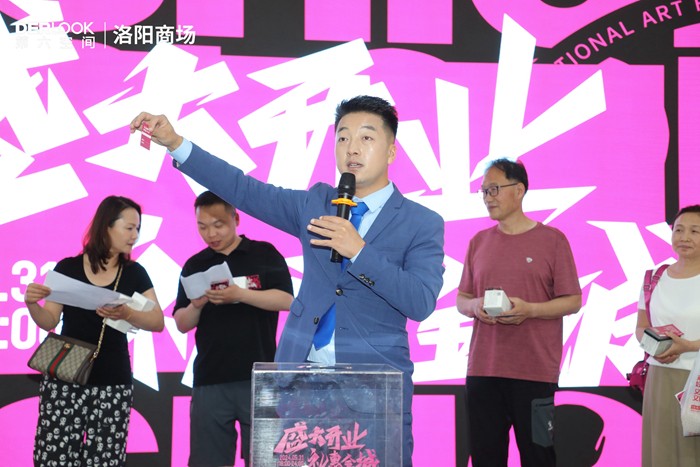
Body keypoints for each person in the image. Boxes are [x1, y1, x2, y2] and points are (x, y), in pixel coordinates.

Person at [130, 95, 445, 466]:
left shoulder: (421, 223)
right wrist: (176, 143)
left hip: (373, 385)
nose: (352, 148)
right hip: (302, 381)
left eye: (366, 137)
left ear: (391, 151)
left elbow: (420, 301)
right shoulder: (315, 204)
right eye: (343, 138)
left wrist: (359, 251)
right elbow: (243, 189)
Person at [456, 158, 582, 467]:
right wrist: (476, 307)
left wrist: (530, 310)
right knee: (486, 458)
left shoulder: (552, 240)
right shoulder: (479, 242)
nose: (488, 197)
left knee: (539, 456)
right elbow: (462, 299)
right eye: (484, 191)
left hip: (534, 373)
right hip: (484, 371)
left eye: (495, 189)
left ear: (519, 190)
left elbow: (573, 300)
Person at [24, 195, 165, 466]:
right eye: (129, 228)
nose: (135, 235)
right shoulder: (68, 267)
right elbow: (49, 320)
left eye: (138, 229)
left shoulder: (134, 272)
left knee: (106, 459)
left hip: (113, 380)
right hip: (65, 378)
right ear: (107, 226)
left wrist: (127, 313)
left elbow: (157, 321)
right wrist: (32, 304)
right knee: (55, 457)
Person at [173, 190, 294, 467]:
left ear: (235, 219)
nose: (211, 234)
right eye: (202, 227)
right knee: (207, 461)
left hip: (260, 378)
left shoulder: (264, 253)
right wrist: (198, 305)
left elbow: (286, 300)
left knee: (266, 460)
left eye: (218, 225)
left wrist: (239, 294)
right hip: (210, 378)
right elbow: (181, 323)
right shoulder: (195, 265)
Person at [636, 205, 700, 466]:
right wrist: (656, 348)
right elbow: (641, 327)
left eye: (695, 231)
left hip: (696, 377)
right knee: (662, 453)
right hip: (660, 376)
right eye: (679, 230)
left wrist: (688, 346)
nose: (684, 237)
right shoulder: (654, 277)